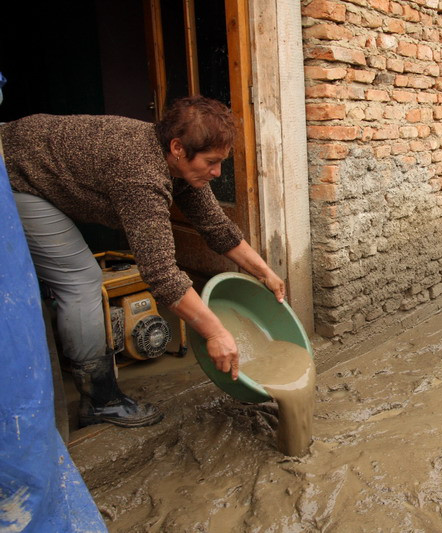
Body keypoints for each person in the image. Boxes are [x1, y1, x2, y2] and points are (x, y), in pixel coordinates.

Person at [0, 96, 285, 428]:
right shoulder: (141, 176)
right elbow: (162, 275)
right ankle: (100, 399)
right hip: (14, 175)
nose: (217, 172)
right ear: (178, 148)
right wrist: (215, 332)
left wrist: (264, 271)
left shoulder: (176, 163)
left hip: (37, 161)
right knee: (80, 281)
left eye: (221, 162)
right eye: (211, 162)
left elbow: (216, 227)